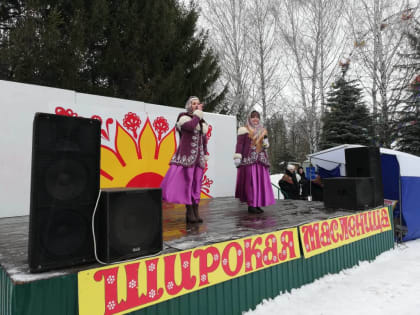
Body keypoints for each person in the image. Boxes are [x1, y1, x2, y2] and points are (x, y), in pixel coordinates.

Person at [161, 96, 209, 223]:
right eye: (194, 104)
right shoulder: (183, 118)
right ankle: (189, 211)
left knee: (197, 184)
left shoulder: (202, 122)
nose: (196, 105)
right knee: (187, 183)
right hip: (187, 157)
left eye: (198, 104)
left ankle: (195, 210)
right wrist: (198, 115)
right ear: (189, 105)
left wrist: (206, 153)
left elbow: (204, 140)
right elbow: (191, 127)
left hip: (199, 159)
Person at [234, 110, 276, 213]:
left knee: (259, 183)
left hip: (260, 160)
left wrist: (266, 144)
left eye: (257, 117)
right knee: (251, 183)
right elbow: (239, 144)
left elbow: (265, 146)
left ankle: (257, 204)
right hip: (248, 160)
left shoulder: (263, 131)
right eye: (253, 117)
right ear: (249, 118)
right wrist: (237, 156)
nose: (255, 119)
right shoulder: (244, 130)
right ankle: (251, 204)